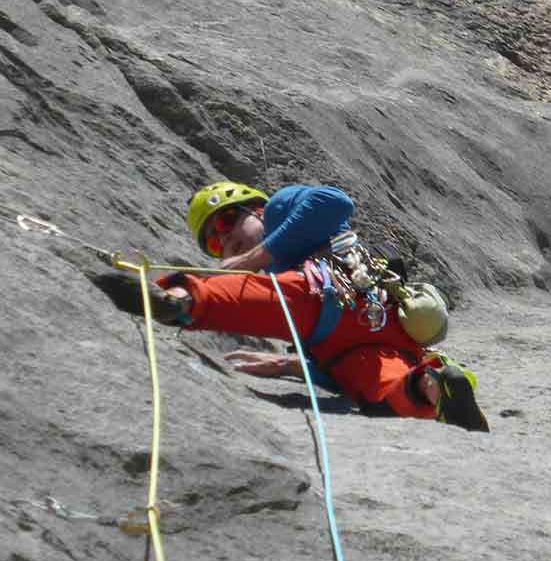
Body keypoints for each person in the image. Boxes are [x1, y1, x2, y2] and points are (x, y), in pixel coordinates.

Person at [91, 268, 488, 432]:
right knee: (390, 385)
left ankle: (175, 302)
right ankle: (432, 387)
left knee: (217, 298)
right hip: (347, 339)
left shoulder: (287, 221)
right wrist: (286, 365)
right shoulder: (401, 334)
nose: (224, 243)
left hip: (318, 303)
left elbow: (331, 202)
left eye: (224, 230)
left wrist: (251, 255)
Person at [186, 181, 357, 273]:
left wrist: (254, 258)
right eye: (215, 245)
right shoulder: (273, 277)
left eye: (225, 222)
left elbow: (337, 202)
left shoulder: (277, 210)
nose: (224, 239)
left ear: (257, 210)